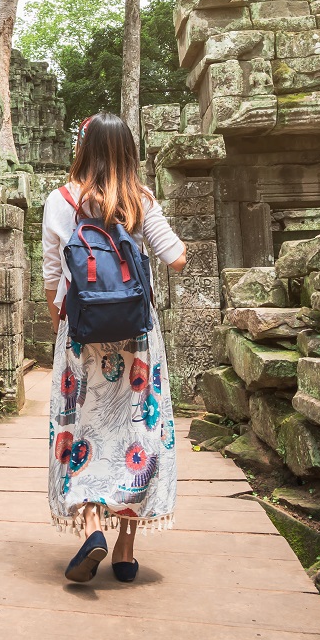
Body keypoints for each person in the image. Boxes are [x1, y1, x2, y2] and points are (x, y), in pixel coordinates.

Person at [42, 112, 187, 584]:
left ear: (82, 149)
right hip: (137, 341)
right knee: (135, 434)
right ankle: (125, 551)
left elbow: (51, 278)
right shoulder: (139, 200)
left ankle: (90, 527)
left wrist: (60, 320)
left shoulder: (60, 201)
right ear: (128, 151)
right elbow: (178, 258)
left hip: (82, 337)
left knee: (82, 430)